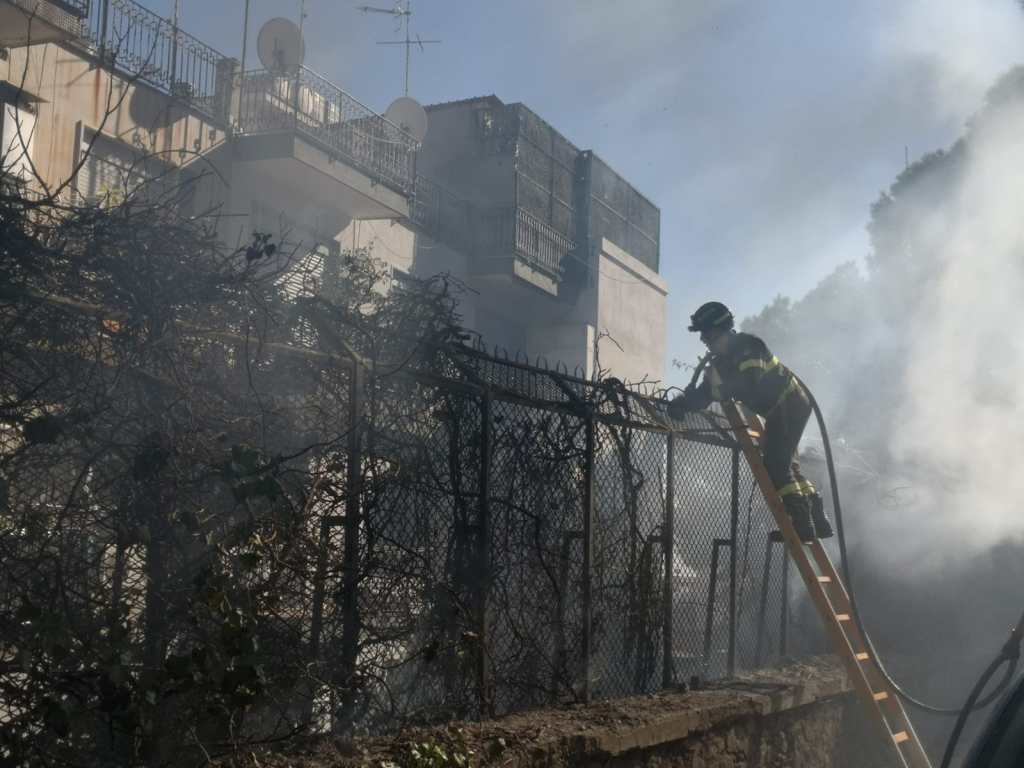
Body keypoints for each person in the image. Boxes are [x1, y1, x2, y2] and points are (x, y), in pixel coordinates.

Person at [668, 301, 833, 543]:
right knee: (785, 466)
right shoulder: (721, 362)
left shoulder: (748, 346)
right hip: (780, 410)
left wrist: (720, 388)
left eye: (707, 332)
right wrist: (683, 403)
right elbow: (704, 393)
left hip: (789, 404)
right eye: (701, 334)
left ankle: (802, 525)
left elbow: (749, 383)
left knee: (776, 465)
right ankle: (817, 521)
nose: (703, 338)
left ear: (721, 328)